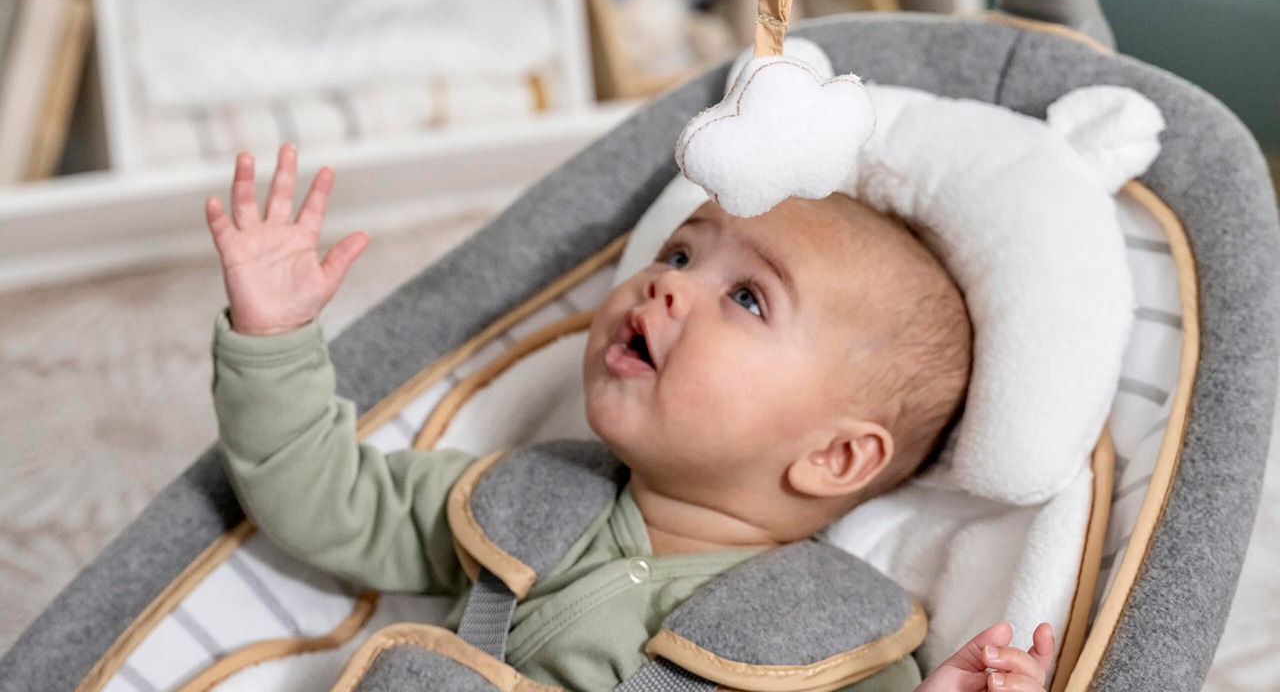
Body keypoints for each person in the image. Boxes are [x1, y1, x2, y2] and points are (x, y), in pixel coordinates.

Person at [206, 144, 1057, 692]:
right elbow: (322, 500)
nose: (668, 283)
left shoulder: (831, 639)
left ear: (834, 456)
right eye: (679, 252)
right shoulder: (524, 502)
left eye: (748, 297)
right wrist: (273, 340)